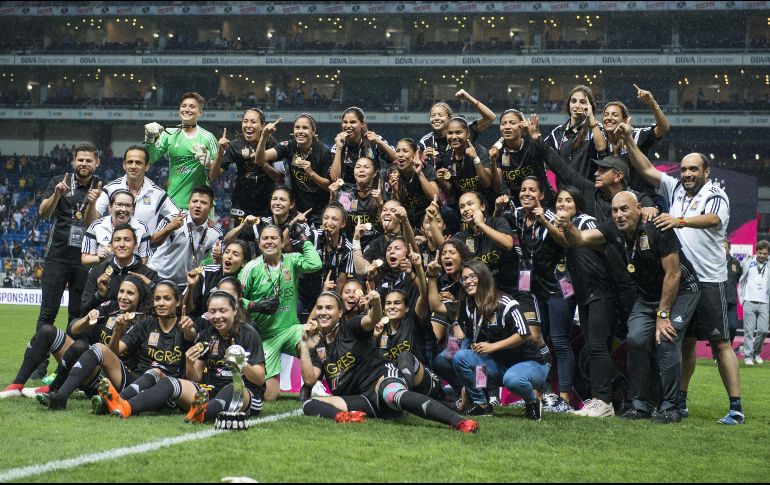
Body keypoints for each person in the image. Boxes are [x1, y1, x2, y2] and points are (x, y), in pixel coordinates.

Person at [620, 125, 744, 425]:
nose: (687, 174)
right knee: (683, 342)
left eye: (693, 169)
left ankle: (735, 407)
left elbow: (713, 219)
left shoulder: (716, 195)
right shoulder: (674, 188)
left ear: (706, 172)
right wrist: (627, 140)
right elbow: (647, 169)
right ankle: (681, 401)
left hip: (710, 279)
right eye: (684, 169)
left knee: (720, 343)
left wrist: (678, 220)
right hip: (680, 282)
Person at [556, 191, 700, 423]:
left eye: (624, 209)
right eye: (614, 210)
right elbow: (580, 239)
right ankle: (640, 405)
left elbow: (673, 274)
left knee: (666, 338)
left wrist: (663, 315)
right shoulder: (613, 229)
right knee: (636, 339)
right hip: (648, 294)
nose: (619, 215)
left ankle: (671, 407)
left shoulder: (657, 227)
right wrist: (567, 226)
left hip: (681, 290)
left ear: (639, 209)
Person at [300, 291, 478, 432]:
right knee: (310, 403)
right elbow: (309, 379)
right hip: (362, 398)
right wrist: (304, 345)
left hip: (381, 379)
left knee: (392, 395)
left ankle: (459, 421)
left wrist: (376, 303)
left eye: (328, 308)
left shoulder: (350, 326)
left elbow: (371, 319)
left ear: (339, 312)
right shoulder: (317, 344)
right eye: (320, 308)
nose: (323, 312)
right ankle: (345, 417)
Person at [96, 291, 266, 423]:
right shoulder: (207, 334)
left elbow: (259, 379)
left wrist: (240, 363)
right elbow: (196, 378)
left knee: (231, 389)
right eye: (212, 312)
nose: (217, 316)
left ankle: (203, 414)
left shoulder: (249, 334)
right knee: (170, 382)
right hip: (211, 391)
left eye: (223, 311)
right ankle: (125, 407)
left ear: (235, 311)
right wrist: (190, 363)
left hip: (245, 393)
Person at [37, 281, 196, 410]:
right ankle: (60, 397)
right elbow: (115, 352)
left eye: (167, 298)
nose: (161, 303)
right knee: (100, 347)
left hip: (164, 391)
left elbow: (191, 335)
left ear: (178, 302)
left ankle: (112, 402)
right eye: (157, 298)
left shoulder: (186, 326)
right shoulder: (145, 324)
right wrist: (118, 330)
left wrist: (188, 330)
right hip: (134, 381)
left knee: (155, 371)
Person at [432, 260, 551, 419]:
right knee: (461, 357)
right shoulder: (468, 306)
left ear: (483, 277)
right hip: (499, 365)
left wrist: (493, 347)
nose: (468, 282)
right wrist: (431, 277)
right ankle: (482, 403)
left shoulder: (505, 302)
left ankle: (532, 402)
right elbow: (436, 307)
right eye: (464, 278)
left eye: (472, 276)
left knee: (512, 379)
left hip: (530, 363)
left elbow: (525, 334)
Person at [0, 276, 148, 399]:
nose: (123, 297)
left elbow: (113, 353)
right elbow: (74, 329)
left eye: (130, 293)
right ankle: (16, 385)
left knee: (81, 347)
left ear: (139, 297)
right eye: (121, 291)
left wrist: (118, 329)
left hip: (107, 379)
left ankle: (54, 388)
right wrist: (86, 319)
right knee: (47, 331)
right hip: (88, 365)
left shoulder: (141, 322)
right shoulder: (111, 307)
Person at [498, 177, 575, 412]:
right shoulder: (518, 216)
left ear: (542, 195)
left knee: (560, 342)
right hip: (531, 288)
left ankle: (564, 398)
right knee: (539, 339)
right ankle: (541, 395)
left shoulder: (550, 216)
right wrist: (497, 207)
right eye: (523, 190)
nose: (527, 193)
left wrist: (543, 219)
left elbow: (566, 241)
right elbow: (499, 223)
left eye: (532, 190)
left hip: (557, 285)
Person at [539, 187, 617, 417]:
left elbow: (578, 241)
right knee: (593, 347)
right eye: (560, 201)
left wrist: (550, 221)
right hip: (585, 294)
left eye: (568, 200)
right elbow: (566, 240)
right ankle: (597, 399)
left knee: (598, 346)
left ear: (578, 204)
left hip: (600, 291)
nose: (563, 204)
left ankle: (604, 401)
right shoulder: (564, 225)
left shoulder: (586, 221)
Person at [33, 143, 103, 378]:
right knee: (47, 314)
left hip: (85, 261)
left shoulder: (101, 188)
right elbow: (43, 212)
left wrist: (93, 202)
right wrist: (57, 194)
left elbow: (96, 224)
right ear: (74, 161)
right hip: (57, 257)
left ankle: (69, 366)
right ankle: (39, 364)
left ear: (96, 163)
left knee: (76, 315)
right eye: (80, 159)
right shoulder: (59, 180)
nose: (84, 163)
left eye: (88, 160)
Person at [239, 225, 322, 401]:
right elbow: (235, 299)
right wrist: (255, 305)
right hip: (265, 337)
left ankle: (309, 386)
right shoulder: (251, 268)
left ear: (282, 242)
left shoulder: (292, 261)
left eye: (274, 238)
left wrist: (303, 239)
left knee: (312, 338)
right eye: (265, 238)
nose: (269, 241)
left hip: (290, 330)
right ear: (259, 243)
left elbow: (315, 263)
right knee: (270, 396)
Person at [143, 92, 218, 210]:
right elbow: (150, 159)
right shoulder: (169, 133)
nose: (187, 109)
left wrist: (210, 164)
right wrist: (150, 139)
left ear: (200, 112)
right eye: (184, 106)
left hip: (202, 205)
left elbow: (217, 172)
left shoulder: (208, 137)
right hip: (173, 203)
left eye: (192, 107)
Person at [209, 108, 284, 223]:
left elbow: (280, 178)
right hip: (240, 206)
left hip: (266, 207)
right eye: (245, 121)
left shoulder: (273, 144)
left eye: (253, 122)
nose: (248, 125)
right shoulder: (234, 145)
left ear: (262, 126)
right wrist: (220, 152)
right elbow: (214, 175)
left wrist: (263, 163)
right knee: (238, 240)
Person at [255, 114, 333, 225]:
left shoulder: (323, 152)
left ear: (313, 131)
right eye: (297, 127)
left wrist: (311, 173)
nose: (300, 131)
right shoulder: (289, 146)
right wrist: (264, 136)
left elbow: (330, 186)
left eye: (305, 128)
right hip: (297, 211)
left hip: (320, 211)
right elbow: (260, 159)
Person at [149, 186, 223, 287]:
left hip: (185, 284)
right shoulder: (172, 219)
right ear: (189, 203)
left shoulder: (215, 233)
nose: (198, 205)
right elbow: (152, 243)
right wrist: (169, 228)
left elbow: (218, 262)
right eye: (194, 201)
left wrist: (219, 255)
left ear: (210, 207)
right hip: (157, 277)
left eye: (203, 203)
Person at [95, 145, 178, 233]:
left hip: (146, 246)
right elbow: (93, 218)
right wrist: (92, 203)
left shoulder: (158, 194)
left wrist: (160, 235)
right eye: (130, 162)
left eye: (138, 163)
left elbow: (177, 217)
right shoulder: (110, 189)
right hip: (115, 245)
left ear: (147, 166)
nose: (133, 166)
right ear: (124, 165)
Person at [80, 224, 158, 315]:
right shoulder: (97, 272)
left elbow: (156, 311)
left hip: (137, 326)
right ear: (111, 246)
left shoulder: (148, 274)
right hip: (102, 326)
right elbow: (84, 311)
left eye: (127, 240)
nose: (122, 244)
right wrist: (99, 295)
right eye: (117, 240)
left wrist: (151, 286)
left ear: (135, 245)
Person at [434, 117, 492, 232]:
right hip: (462, 209)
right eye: (450, 133)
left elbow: (486, 183)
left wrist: (475, 158)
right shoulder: (447, 156)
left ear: (468, 133)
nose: (454, 137)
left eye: (458, 132)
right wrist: (441, 180)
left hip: (484, 206)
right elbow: (450, 190)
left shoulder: (479, 151)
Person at [489, 109, 555, 208]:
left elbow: (553, 162)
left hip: (544, 203)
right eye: (503, 123)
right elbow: (496, 187)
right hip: (517, 207)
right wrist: (493, 161)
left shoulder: (532, 142)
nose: (507, 127)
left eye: (512, 123)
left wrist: (532, 135)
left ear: (521, 126)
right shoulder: (498, 151)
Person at [544, 85, 607, 184]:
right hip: (564, 194)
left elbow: (601, 148)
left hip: (587, 192)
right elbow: (543, 156)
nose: (577, 105)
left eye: (582, 102)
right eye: (573, 101)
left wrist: (591, 117)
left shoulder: (596, 128)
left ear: (590, 105)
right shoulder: (558, 132)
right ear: (569, 104)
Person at [224, 186, 309, 253]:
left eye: (282, 200)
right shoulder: (261, 223)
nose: (277, 203)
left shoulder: (301, 225)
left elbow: (283, 248)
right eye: (274, 199)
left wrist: (293, 223)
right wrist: (242, 226)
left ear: (291, 204)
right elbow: (227, 241)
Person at [419, 90, 496, 163]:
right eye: (433, 116)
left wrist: (469, 98)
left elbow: (490, 117)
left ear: (450, 118)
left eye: (440, 115)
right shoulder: (425, 141)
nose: (436, 118)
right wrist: (422, 159)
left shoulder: (464, 130)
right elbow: (416, 167)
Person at [81, 190, 152, 268]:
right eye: (119, 204)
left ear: (133, 209)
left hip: (130, 275)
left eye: (128, 206)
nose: (124, 209)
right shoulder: (96, 226)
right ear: (110, 207)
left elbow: (144, 260)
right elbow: (85, 259)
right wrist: (98, 258)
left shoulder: (142, 228)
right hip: (101, 274)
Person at [184, 239, 251, 318]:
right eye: (226, 252)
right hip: (202, 326)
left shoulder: (247, 280)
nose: (229, 256)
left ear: (244, 262)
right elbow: (186, 309)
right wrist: (191, 287)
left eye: (235, 254)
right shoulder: (205, 272)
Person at [329, 107, 396, 184]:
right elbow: (334, 178)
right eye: (345, 122)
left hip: (373, 191)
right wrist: (339, 148)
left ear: (362, 124)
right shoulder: (338, 146)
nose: (347, 125)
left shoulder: (374, 140)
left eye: (352, 122)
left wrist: (380, 142)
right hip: (347, 192)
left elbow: (395, 159)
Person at [328, 157, 383, 247]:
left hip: (375, 245)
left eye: (366, 167)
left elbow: (386, 226)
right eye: (358, 167)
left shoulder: (380, 193)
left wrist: (380, 204)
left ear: (374, 173)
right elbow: (333, 220)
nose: (361, 170)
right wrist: (332, 198)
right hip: (350, 245)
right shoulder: (346, 194)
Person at [384, 139, 439, 229]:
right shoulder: (391, 173)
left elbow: (434, 197)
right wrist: (394, 191)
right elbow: (393, 207)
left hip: (426, 217)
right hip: (404, 219)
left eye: (405, 151)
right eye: (398, 151)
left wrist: (420, 173)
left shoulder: (427, 170)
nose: (400, 154)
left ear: (414, 154)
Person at [738, 240, 770, 366]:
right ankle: (748, 355)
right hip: (749, 300)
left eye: (765, 253)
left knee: (763, 330)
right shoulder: (748, 262)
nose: (762, 255)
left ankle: (756, 353)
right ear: (756, 251)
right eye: (760, 252)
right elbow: (739, 274)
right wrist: (742, 299)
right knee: (748, 331)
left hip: (765, 302)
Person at [724, 240, 742, 348]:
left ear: (729, 249)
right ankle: (717, 352)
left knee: (733, 327)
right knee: (719, 329)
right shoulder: (713, 262)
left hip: (731, 301)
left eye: (725, 247)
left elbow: (739, 278)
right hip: (717, 301)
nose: (723, 250)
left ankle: (728, 349)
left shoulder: (735, 262)